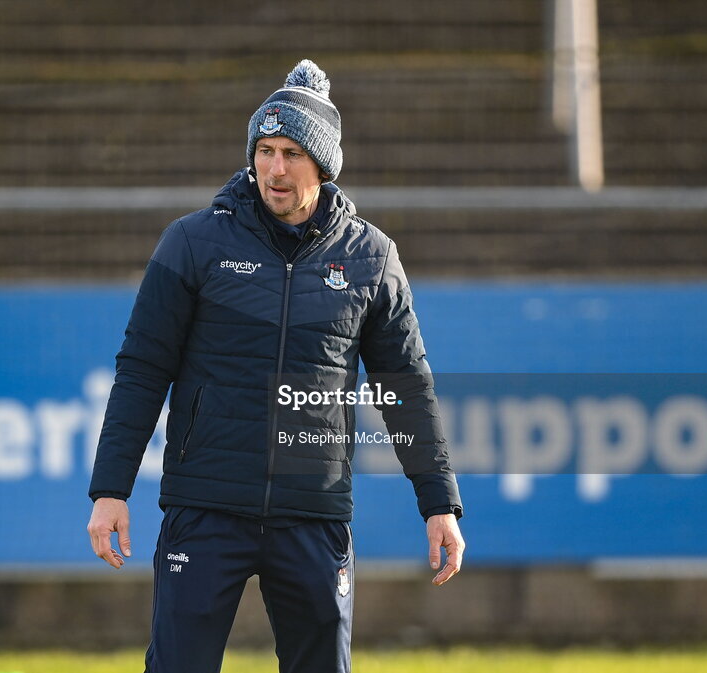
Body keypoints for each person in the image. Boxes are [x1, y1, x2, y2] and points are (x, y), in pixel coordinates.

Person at [87, 59, 464, 673]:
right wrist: (110, 490)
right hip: (206, 504)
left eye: (291, 152)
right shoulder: (192, 242)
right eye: (264, 150)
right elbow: (141, 370)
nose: (274, 168)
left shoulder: (371, 258)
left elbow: (404, 389)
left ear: (324, 164)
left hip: (312, 511)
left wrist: (438, 502)